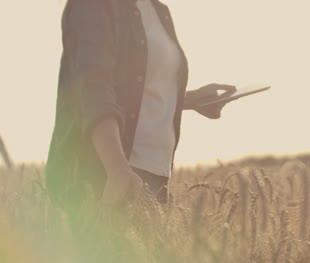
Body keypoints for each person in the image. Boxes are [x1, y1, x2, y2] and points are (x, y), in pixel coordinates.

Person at [45, 0, 236, 211]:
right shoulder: (94, 5)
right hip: (108, 174)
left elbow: (137, 91)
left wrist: (192, 99)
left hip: (153, 172)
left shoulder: (158, 10)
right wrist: (116, 168)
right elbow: (93, 89)